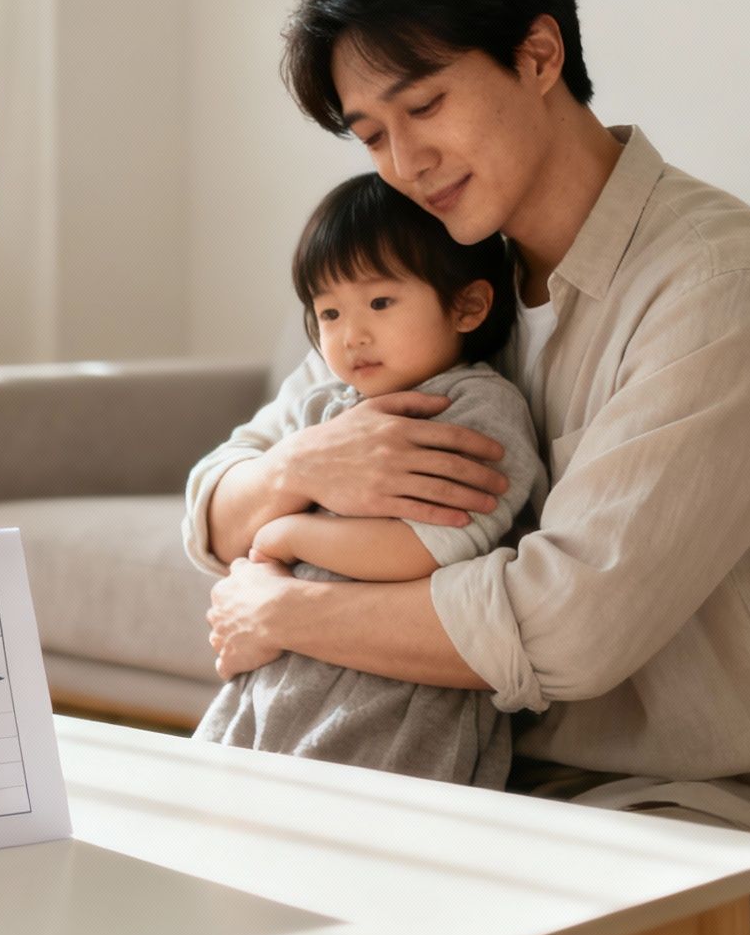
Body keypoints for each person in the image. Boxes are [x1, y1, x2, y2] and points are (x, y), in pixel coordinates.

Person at [183, 0, 750, 935]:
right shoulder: (426, 277)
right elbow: (215, 496)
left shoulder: (719, 288)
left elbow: (567, 627)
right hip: (442, 798)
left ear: (537, 56)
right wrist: (307, 473)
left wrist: (280, 610)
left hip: (683, 833)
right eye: (368, 134)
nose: (402, 162)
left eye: (425, 104)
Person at [190, 172, 542, 788]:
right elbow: (228, 511)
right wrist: (273, 533)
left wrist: (289, 534)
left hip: (393, 696)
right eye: (328, 312)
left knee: (343, 840)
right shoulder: (325, 404)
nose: (350, 335)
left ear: (467, 305)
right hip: (282, 676)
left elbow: (427, 546)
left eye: (380, 303)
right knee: (206, 810)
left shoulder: (475, 409)